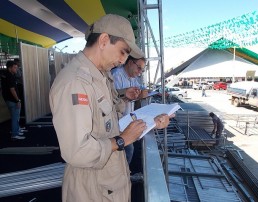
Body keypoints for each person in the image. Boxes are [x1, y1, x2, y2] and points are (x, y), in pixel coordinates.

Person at [49, 14, 172, 202]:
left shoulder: (100, 77)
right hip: (91, 189)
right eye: (123, 52)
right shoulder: (75, 82)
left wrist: (150, 122)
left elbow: (109, 123)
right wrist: (122, 141)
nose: (123, 61)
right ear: (104, 40)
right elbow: (77, 152)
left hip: (108, 183)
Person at [112, 56, 147, 164]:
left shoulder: (133, 77)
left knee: (128, 149)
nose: (140, 72)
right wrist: (125, 94)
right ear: (130, 63)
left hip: (127, 119)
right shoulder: (116, 75)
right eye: (139, 68)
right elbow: (111, 97)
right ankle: (125, 175)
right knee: (128, 149)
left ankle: (125, 173)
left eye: (142, 70)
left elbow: (140, 91)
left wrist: (141, 93)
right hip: (117, 122)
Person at [1, 60, 25, 140]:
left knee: (15, 116)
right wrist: (17, 100)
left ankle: (17, 130)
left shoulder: (5, 75)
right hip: (13, 100)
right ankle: (15, 134)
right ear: (10, 68)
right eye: (14, 68)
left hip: (9, 99)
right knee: (15, 117)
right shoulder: (10, 76)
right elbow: (12, 89)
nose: (16, 69)